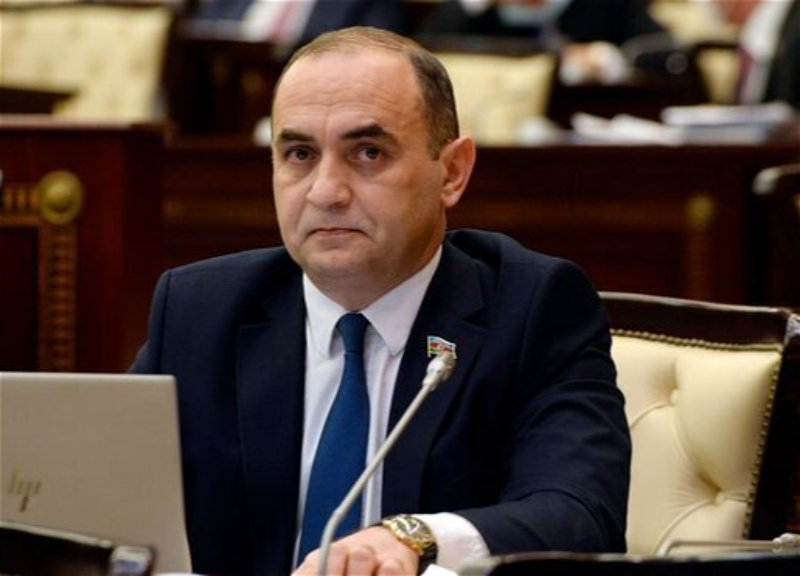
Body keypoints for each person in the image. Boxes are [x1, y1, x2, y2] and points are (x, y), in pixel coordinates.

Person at [131, 26, 631, 576]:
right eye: (299, 153)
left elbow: (581, 514)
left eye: (368, 153)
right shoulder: (201, 310)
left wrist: (414, 538)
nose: (325, 191)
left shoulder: (534, 308)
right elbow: (108, 503)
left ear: (452, 172)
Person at [417, 0, 669, 84]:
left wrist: (609, 59)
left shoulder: (610, 5)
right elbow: (424, 55)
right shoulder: (477, 12)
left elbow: (664, 51)